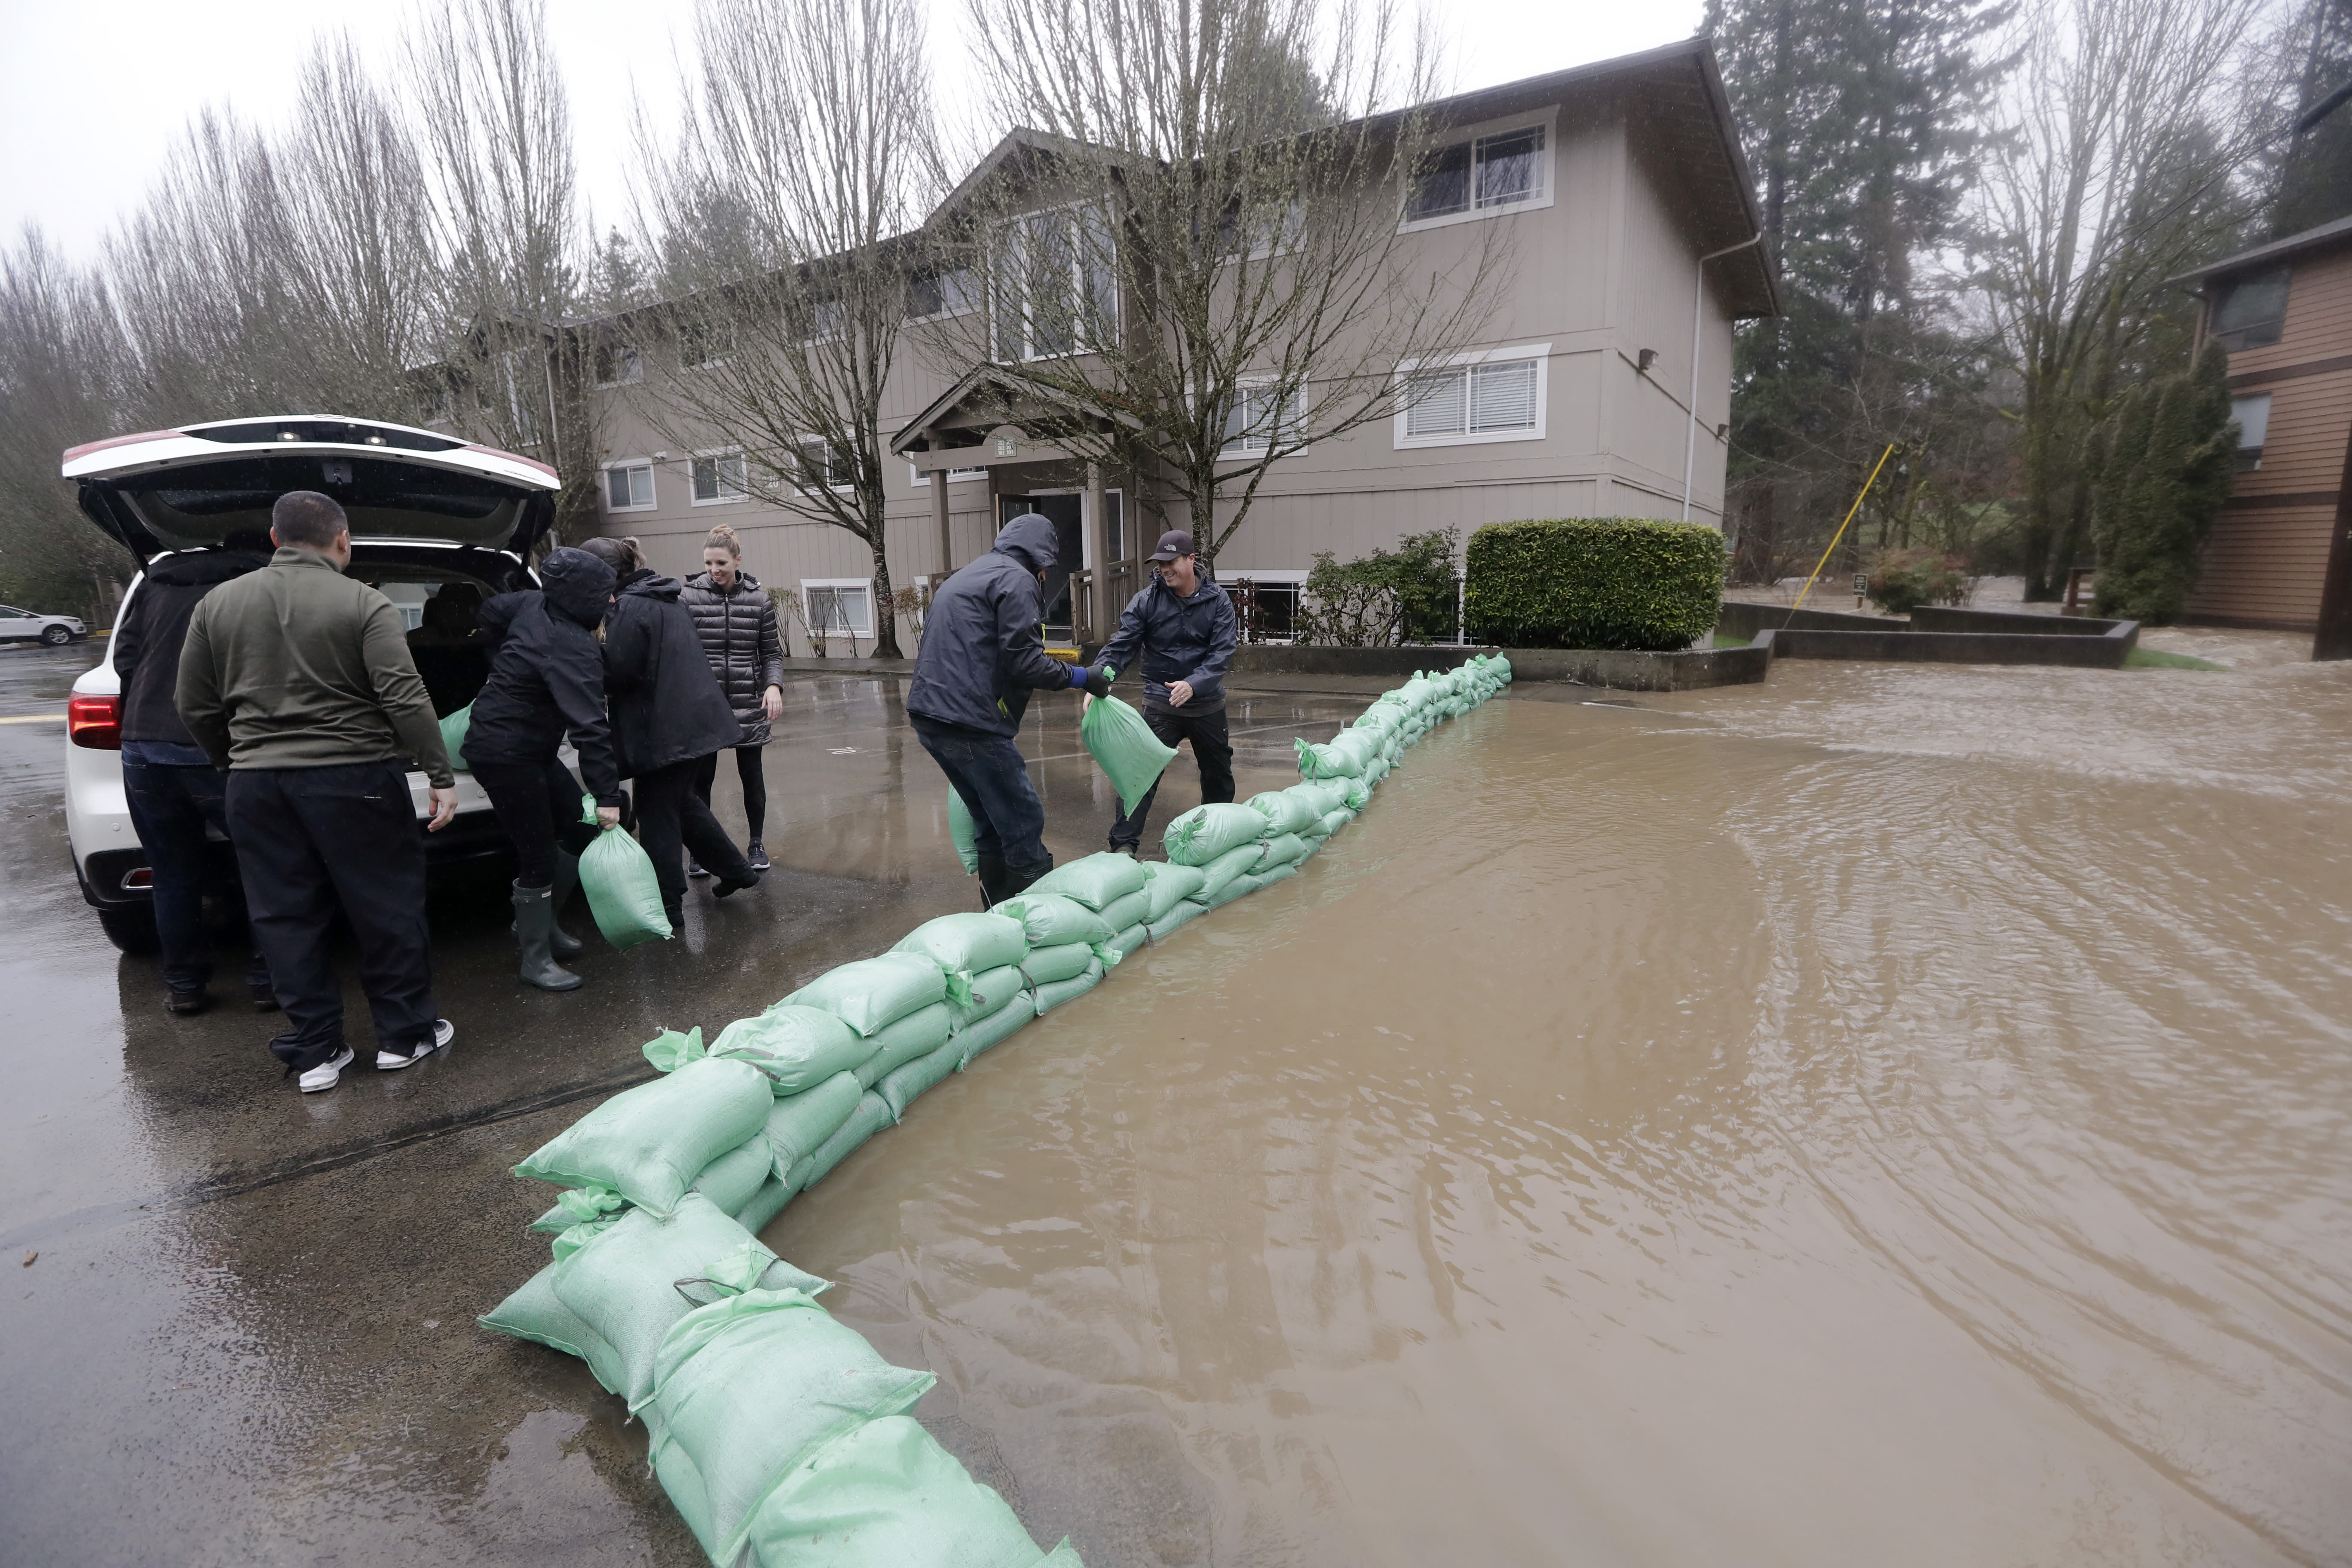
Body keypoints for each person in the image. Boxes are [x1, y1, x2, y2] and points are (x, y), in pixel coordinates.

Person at [176, 492, 459, 1094]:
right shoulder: (364, 603)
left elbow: (192, 704)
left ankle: (315, 1052)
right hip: (354, 777)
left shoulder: (216, 605)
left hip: (256, 787)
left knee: (283, 916)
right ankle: (404, 1037)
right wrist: (439, 774)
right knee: (385, 907)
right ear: (343, 541)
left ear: (276, 541)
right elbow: (403, 695)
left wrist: (234, 762)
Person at [906, 511, 1112, 905]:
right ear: (1041, 559)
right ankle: (1036, 924)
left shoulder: (970, 574)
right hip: (971, 721)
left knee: (989, 819)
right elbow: (1027, 663)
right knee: (1021, 819)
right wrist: (1086, 677)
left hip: (930, 716)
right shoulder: (1016, 580)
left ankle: (997, 917)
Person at [113, 529, 276, 1016]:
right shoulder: (256, 585)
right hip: (213, 747)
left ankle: (185, 986)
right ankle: (268, 978)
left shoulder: (157, 580)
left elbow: (124, 660)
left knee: (172, 874)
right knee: (264, 865)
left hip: (143, 747)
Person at [463, 547, 625, 992]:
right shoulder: (572, 647)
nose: (612, 602)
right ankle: (535, 959)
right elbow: (591, 728)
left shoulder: (532, 602)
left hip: (531, 746)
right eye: (606, 594)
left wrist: (501, 660)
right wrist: (608, 797)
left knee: (577, 831)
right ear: (582, 597)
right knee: (538, 855)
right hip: (504, 752)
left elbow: (491, 611)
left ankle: (546, 924)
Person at [578, 536, 759, 927]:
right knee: (683, 803)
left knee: (655, 812)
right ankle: (736, 871)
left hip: (663, 728)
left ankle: (668, 903)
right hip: (691, 722)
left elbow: (619, 671)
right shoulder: (664, 597)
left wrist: (584, 654)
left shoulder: (629, 607)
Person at [1095, 530, 1240, 855]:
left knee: (1218, 776)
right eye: (1160, 562)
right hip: (1162, 704)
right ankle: (1123, 847)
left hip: (1206, 704)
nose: (1165, 568)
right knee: (1139, 774)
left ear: (1191, 560)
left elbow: (1222, 653)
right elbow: (1123, 644)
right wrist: (1099, 679)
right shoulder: (1147, 600)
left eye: (1172, 561)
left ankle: (1215, 839)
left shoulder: (1218, 601)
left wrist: (1194, 684)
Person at [680, 523, 784, 875]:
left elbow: (772, 653)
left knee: (751, 775)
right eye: (709, 563)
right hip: (704, 703)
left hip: (747, 700)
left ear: (738, 560)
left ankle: (756, 844)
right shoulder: (688, 597)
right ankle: (700, 850)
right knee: (701, 780)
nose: (714, 570)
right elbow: (678, 651)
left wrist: (773, 687)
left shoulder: (758, 599)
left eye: (721, 563)